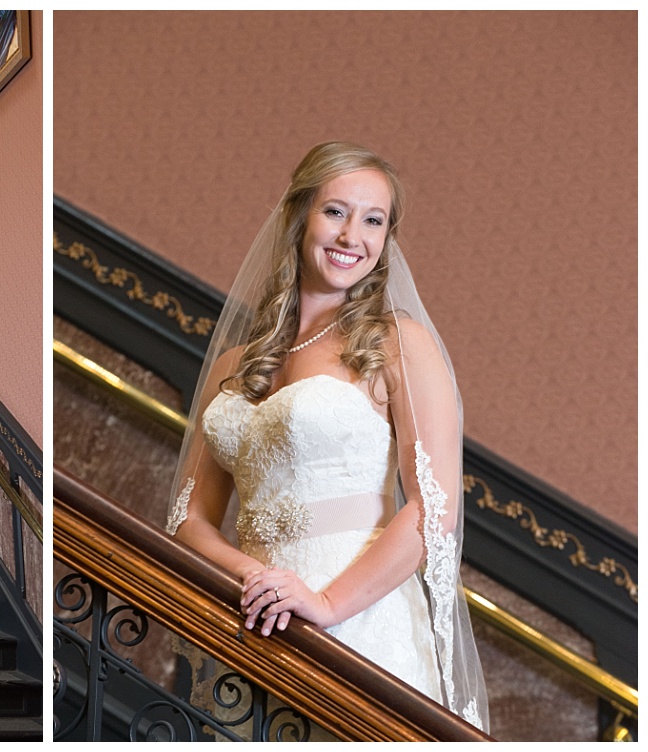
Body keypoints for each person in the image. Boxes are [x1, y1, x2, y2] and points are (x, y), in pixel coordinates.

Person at [166, 142, 488, 731]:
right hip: (253, 613)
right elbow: (190, 517)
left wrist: (327, 604)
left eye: (374, 221)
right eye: (336, 212)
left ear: (387, 240)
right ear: (299, 216)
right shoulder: (236, 363)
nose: (351, 237)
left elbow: (432, 510)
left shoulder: (397, 342)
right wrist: (253, 578)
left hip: (358, 619)